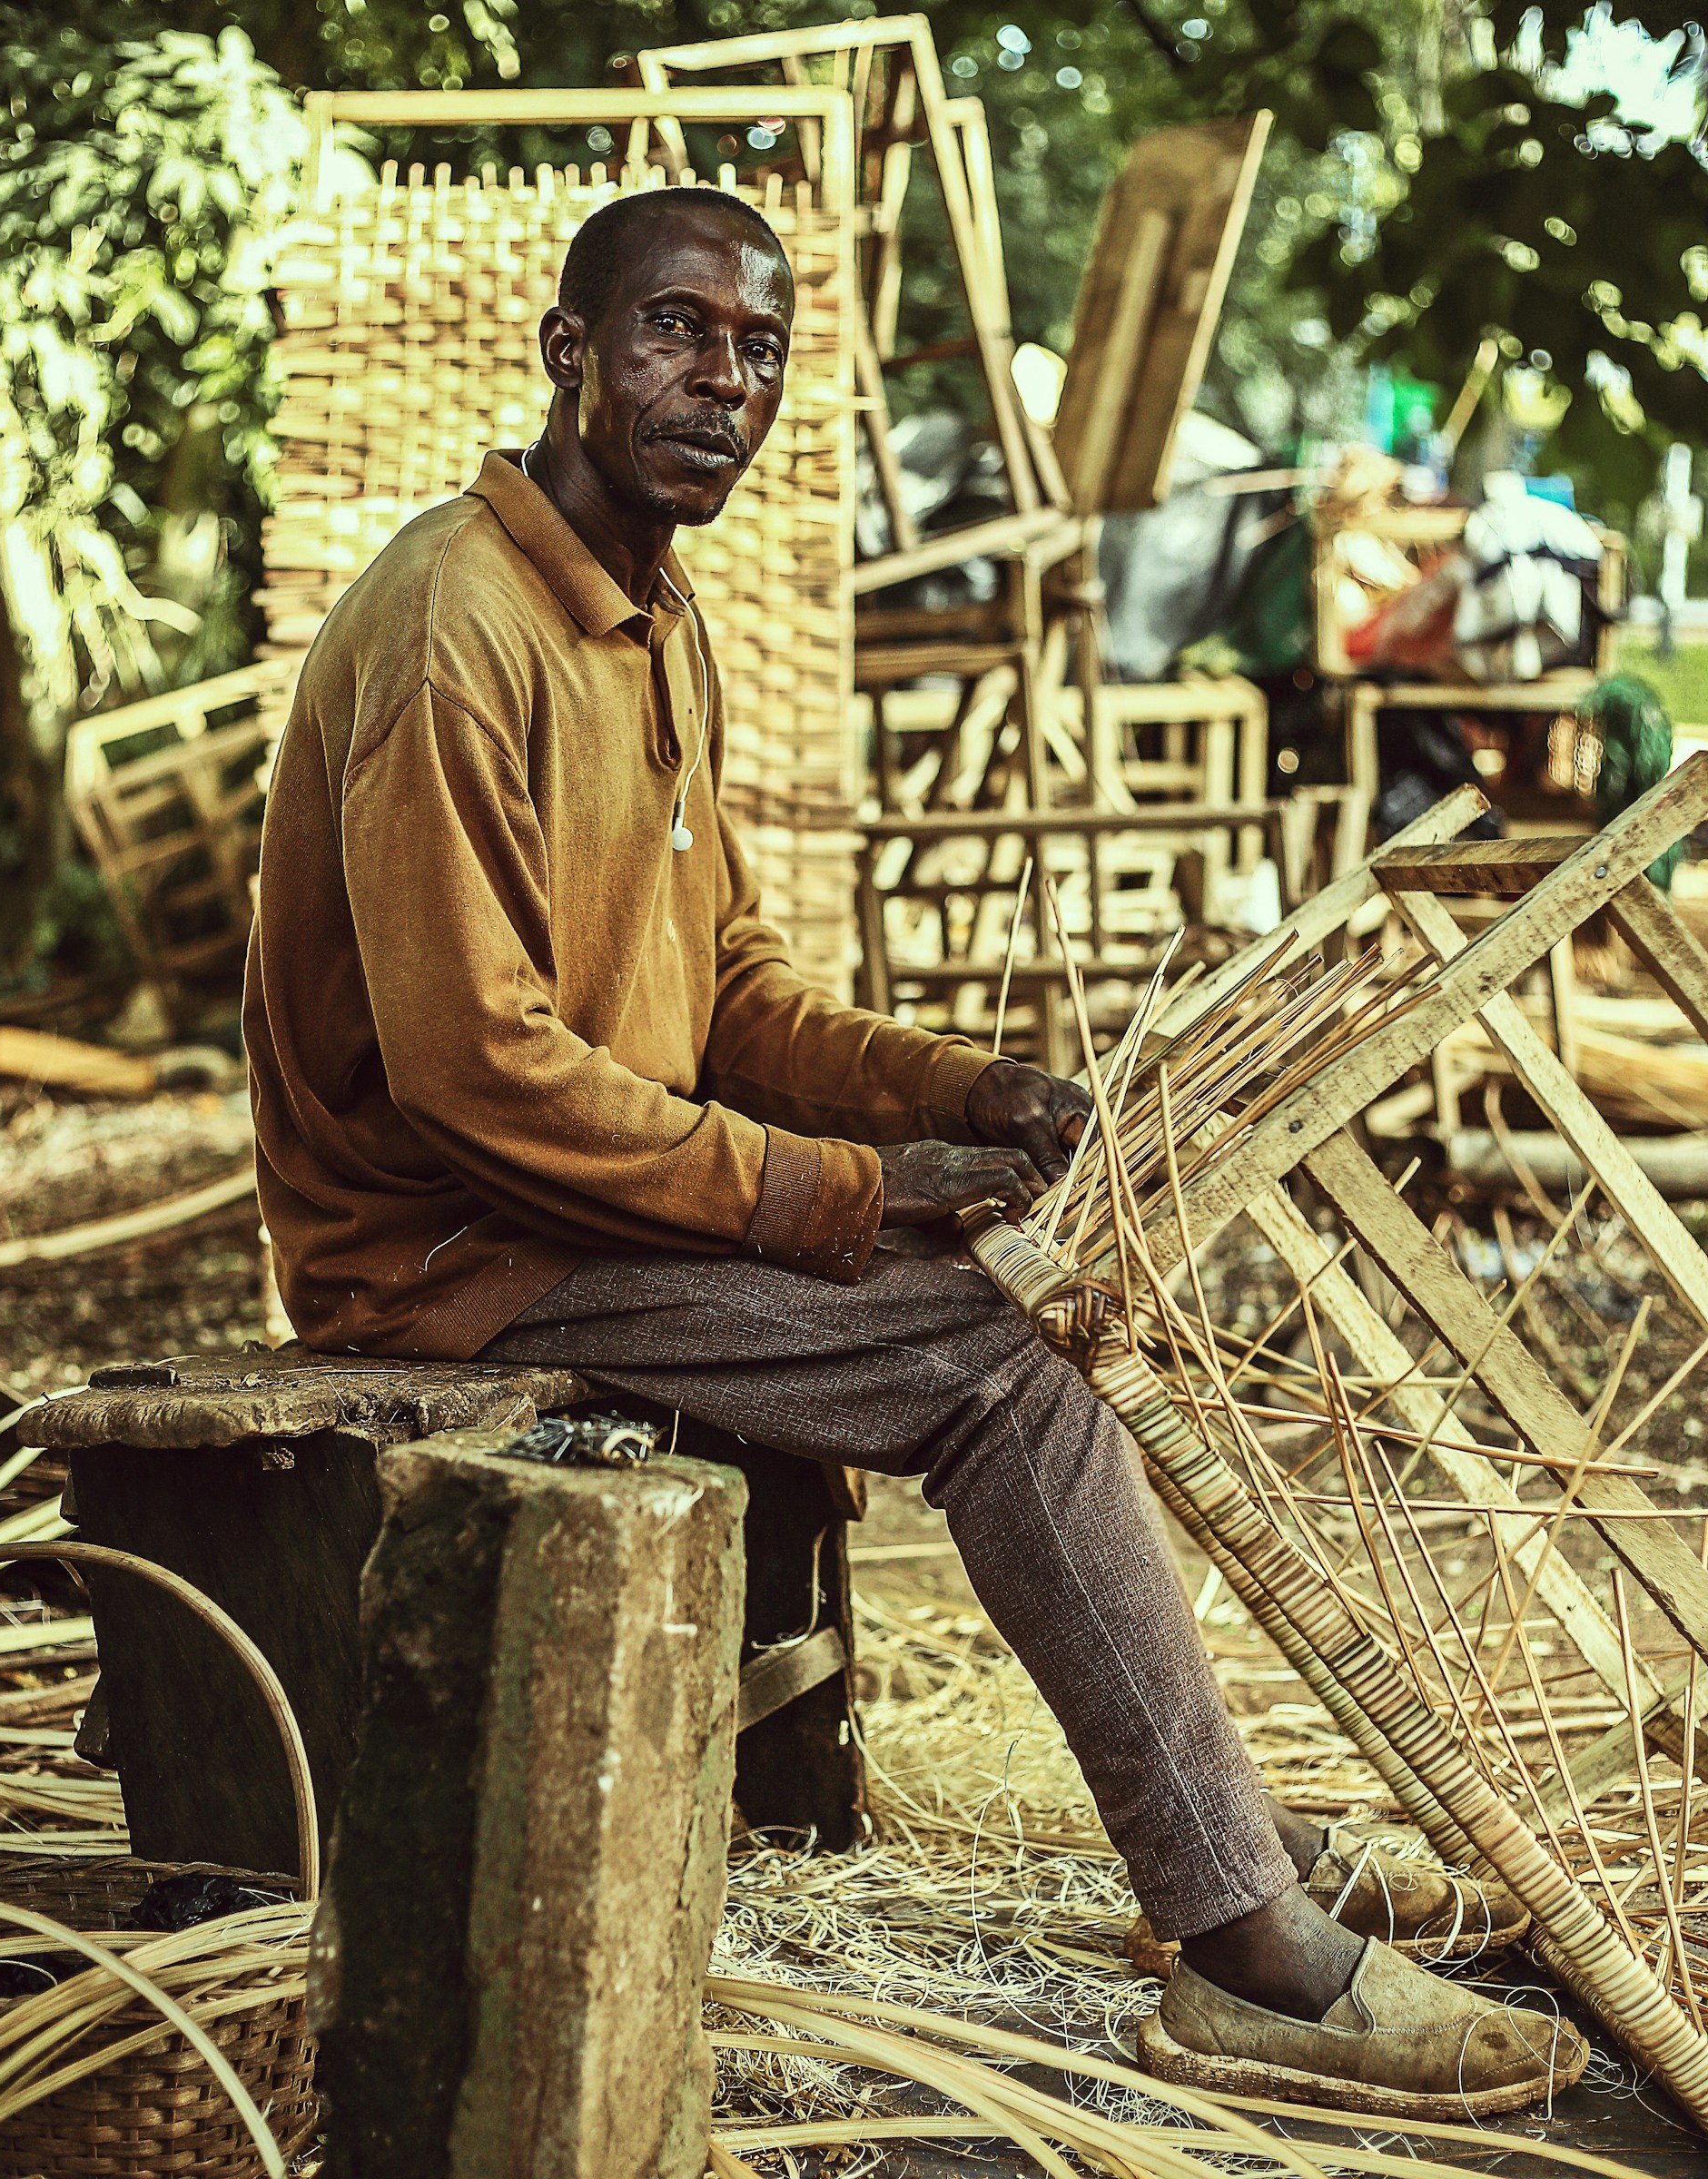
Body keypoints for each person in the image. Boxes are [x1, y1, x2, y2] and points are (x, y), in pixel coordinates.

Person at [245, 187, 1583, 2118]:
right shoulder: (462, 623)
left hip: (580, 1202)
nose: (724, 379)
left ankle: (1222, 1831)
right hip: (452, 1246)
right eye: (674, 331)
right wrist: (849, 1195)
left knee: (1024, 1311)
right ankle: (1245, 1950)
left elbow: (733, 996)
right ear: (565, 350)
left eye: (759, 347)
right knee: (991, 1366)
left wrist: (967, 1093)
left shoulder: (652, 618)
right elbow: (477, 1079)